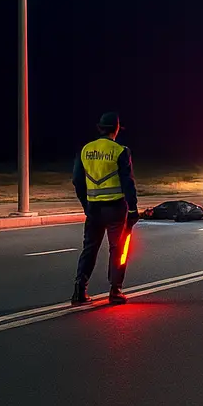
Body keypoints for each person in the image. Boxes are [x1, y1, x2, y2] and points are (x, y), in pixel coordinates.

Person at [71, 112, 139, 306]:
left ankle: (79, 291)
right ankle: (115, 291)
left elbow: (77, 180)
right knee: (118, 249)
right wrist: (133, 209)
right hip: (116, 208)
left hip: (93, 208)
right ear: (116, 129)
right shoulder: (120, 150)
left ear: (99, 128)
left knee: (90, 248)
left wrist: (86, 204)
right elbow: (127, 182)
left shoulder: (85, 150)